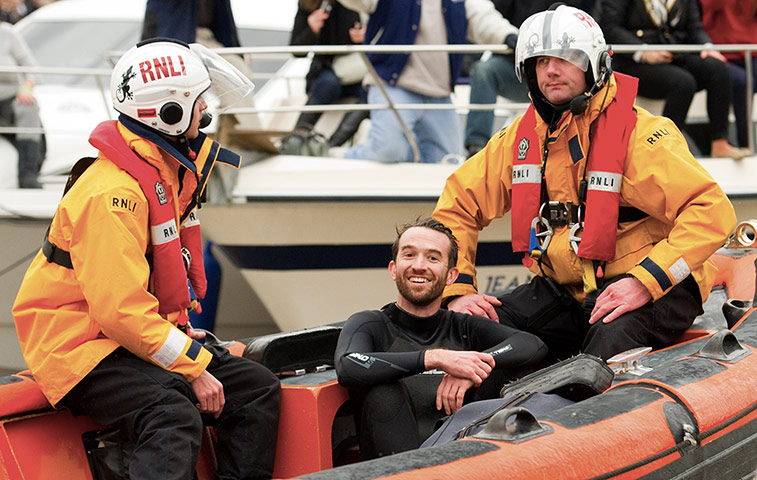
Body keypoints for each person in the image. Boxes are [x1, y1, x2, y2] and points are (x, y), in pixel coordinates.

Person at [12, 39, 280, 480]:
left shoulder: (162, 171)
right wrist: (192, 367)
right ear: (168, 114)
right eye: (199, 102)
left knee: (254, 389)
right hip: (79, 346)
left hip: (124, 336)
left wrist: (186, 347)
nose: (206, 112)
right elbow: (119, 311)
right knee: (171, 414)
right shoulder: (112, 195)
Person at [432, 5, 737, 362]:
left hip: (652, 286)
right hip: (566, 291)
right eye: (540, 61)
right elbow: (457, 206)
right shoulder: (521, 139)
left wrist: (643, 282)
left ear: (594, 64)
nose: (551, 70)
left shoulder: (641, 136)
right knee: (470, 329)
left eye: (566, 57)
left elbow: (712, 211)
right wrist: (458, 291)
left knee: (605, 349)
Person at [334, 217, 547, 459]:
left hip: (463, 464)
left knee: (507, 370)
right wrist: (434, 358)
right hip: (398, 468)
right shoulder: (370, 324)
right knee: (384, 391)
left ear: (451, 276)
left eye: (433, 258)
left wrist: (470, 367)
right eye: (409, 255)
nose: (419, 265)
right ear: (393, 269)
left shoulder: (462, 326)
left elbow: (532, 345)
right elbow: (348, 364)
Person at [336, 0, 518, 163]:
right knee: (387, 151)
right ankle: (343, 158)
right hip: (393, 85)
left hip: (438, 93)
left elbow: (483, 19)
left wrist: (509, 36)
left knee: (449, 161)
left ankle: (408, 170)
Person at [599, 0, 748, 159]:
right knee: (683, 82)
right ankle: (666, 146)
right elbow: (610, 28)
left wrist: (707, 47)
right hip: (633, 62)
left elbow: (694, 27)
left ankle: (720, 143)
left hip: (674, 55)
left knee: (718, 68)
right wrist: (644, 52)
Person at [464, 0, 584, 158]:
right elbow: (489, 16)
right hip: (519, 67)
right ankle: (477, 146)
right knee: (484, 70)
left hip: (566, 72)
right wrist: (510, 37)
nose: (551, 70)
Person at [279, 0, 370, 155]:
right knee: (328, 83)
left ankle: (332, 145)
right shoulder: (308, 5)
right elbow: (297, 50)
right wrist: (312, 29)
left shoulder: (359, 4)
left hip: (357, 75)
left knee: (372, 94)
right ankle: (296, 138)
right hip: (326, 72)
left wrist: (365, 37)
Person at [700, 0, 757, 150]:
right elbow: (708, 7)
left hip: (751, 53)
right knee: (743, 82)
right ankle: (746, 146)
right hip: (722, 55)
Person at [0, 21, 44, 188]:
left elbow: (32, 68)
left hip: (10, 98)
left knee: (28, 107)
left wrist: (26, 89)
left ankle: (28, 174)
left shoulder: (7, 33)